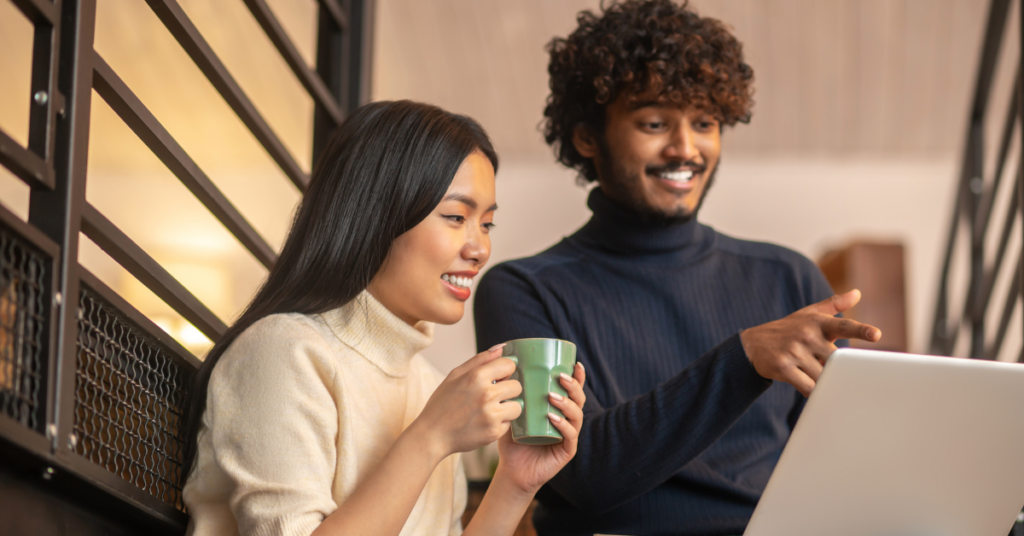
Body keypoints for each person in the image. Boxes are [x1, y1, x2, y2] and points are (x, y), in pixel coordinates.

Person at [473, 1, 882, 535]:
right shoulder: (524, 290)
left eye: (705, 123)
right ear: (587, 137)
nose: (685, 149)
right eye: (655, 122)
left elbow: (844, 469)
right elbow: (584, 475)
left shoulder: (787, 278)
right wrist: (743, 360)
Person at [179, 100, 587, 536]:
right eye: (455, 217)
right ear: (376, 214)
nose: (479, 249)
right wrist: (430, 437)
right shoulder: (283, 352)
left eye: (486, 224)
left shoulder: (430, 387)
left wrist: (514, 484)